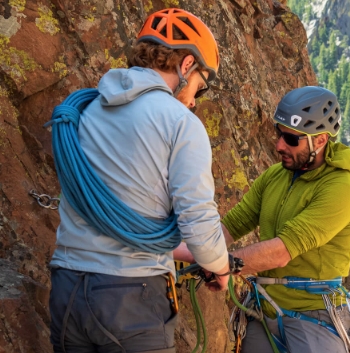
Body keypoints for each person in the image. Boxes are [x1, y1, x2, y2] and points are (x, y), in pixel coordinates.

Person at [48, 8, 230, 353]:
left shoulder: (87, 110)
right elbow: (199, 225)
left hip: (67, 287)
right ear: (187, 65)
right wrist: (219, 267)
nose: (193, 101)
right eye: (199, 88)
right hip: (131, 295)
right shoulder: (180, 123)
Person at [175, 86, 350, 352]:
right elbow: (231, 226)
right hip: (264, 311)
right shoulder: (276, 176)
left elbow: (282, 251)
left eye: (291, 139)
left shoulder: (342, 187)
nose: (279, 145)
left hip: (314, 317)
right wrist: (171, 248)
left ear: (320, 140)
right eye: (278, 133)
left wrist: (220, 263)